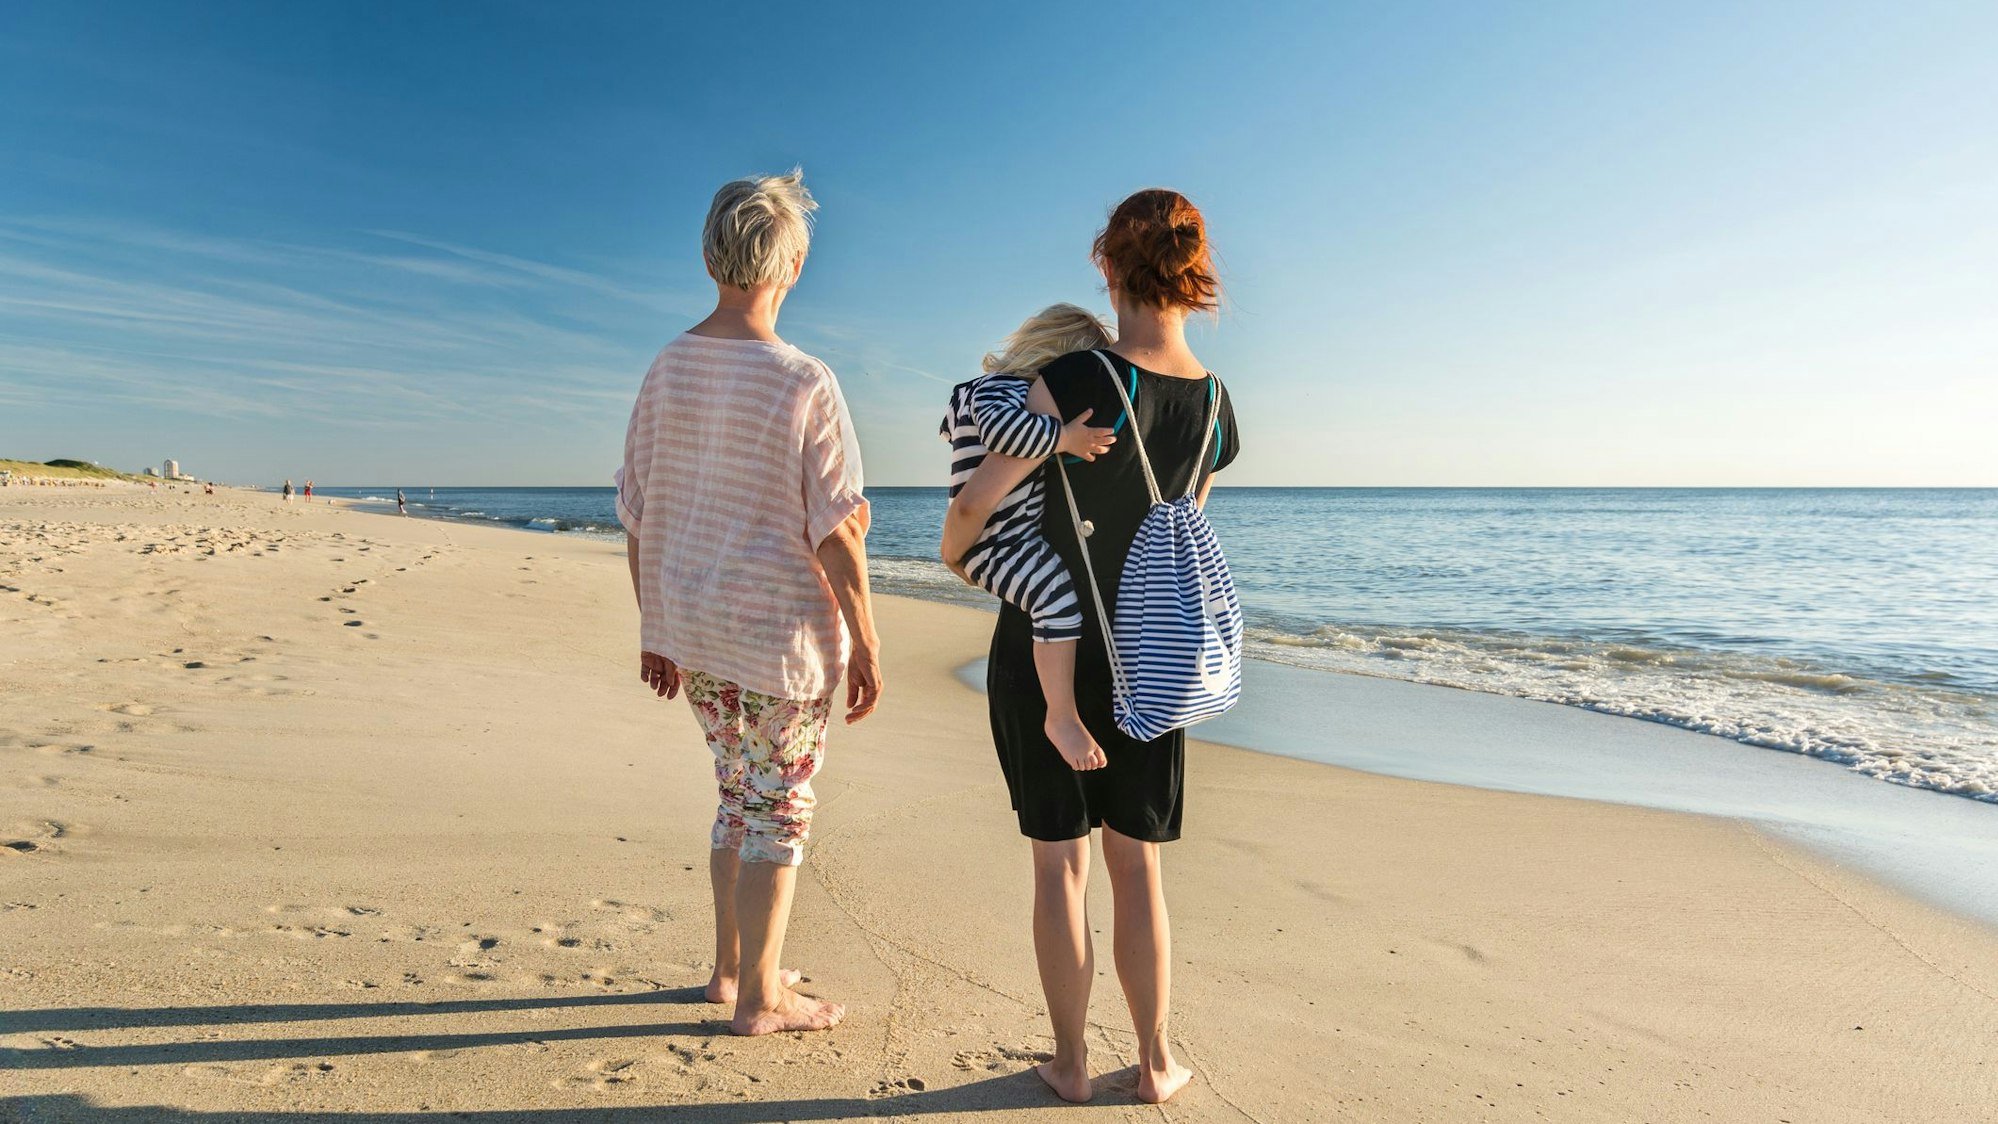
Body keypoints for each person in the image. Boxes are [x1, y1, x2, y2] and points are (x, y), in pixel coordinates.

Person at [945, 189, 1239, 1104]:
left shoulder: (1077, 381)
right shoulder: (1218, 404)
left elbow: (977, 501)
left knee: (1058, 861)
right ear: (1193, 275)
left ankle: (1070, 1063)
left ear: (1107, 266)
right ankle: (1155, 1063)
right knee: (1137, 862)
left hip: (1049, 647)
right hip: (1153, 661)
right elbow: (1183, 527)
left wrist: (957, 557)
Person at [615, 168, 878, 1037]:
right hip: (776, 639)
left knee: (738, 795)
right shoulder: (803, 379)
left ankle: (734, 969)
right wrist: (869, 643)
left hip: (694, 629)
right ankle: (760, 998)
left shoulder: (666, 369)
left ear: (707, 256)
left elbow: (638, 513)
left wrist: (655, 625)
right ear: (792, 268)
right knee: (778, 809)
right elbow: (838, 532)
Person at [938, 306, 1118, 769]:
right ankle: (1060, 716)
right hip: (997, 541)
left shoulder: (976, 392)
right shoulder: (1005, 390)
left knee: (1056, 597)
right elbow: (1001, 433)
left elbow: (952, 428)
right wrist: (1063, 438)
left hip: (1007, 536)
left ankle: (1061, 714)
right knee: (1056, 600)